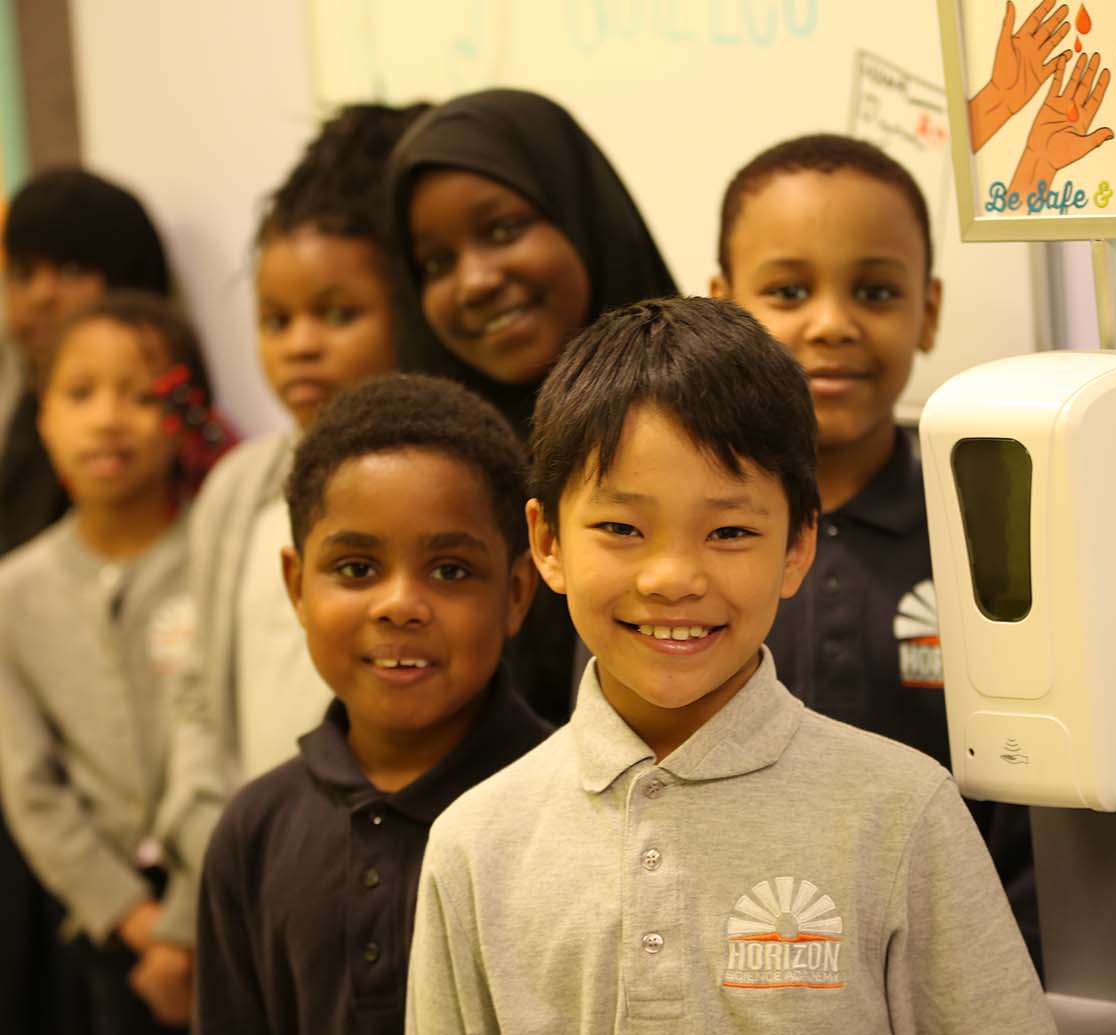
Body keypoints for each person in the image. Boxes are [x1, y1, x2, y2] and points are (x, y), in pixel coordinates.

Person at [405, 297, 1053, 1033]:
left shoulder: (905, 813)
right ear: (547, 541)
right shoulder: (475, 843)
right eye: (621, 526)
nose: (673, 578)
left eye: (730, 531)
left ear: (798, 546)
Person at [709, 133, 1040, 967]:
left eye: (876, 291)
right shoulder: (671, 553)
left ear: (927, 309)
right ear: (723, 306)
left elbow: (1030, 823)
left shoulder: (985, 540)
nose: (832, 324)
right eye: (789, 290)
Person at [195, 373, 550, 1035]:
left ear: (516, 592)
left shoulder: (572, 809)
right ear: (297, 586)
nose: (399, 605)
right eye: (357, 568)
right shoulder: (254, 831)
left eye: (449, 570)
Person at [387, 87, 679, 724]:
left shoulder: (709, 427)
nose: (474, 281)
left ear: (581, 217)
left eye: (502, 230)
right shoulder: (431, 475)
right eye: (436, 262)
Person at [0, 292, 230, 1033]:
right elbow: (29, 784)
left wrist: (183, 925)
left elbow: (229, 745)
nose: (107, 417)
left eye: (140, 395)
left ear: (185, 414)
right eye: (80, 393)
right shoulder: (13, 593)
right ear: (43, 416)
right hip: (99, 928)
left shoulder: (219, 562)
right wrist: (134, 921)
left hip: (220, 899)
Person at [181, 102, 427, 784]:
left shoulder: (445, 485)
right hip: (258, 835)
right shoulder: (237, 489)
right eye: (276, 320)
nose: (300, 345)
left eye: (337, 314)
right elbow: (199, 692)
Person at [1, 167, 172, 555]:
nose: (41, 296)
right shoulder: (17, 412)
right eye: (22, 274)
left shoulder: (190, 437)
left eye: (70, 271)